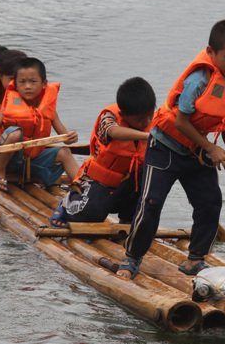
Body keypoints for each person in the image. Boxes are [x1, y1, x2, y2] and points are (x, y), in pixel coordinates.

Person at [119, 20, 225, 280]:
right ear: (211, 53)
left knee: (210, 201)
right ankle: (131, 258)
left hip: (197, 153)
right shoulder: (198, 79)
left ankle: (195, 259)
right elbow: (181, 121)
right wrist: (211, 148)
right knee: (151, 203)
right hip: (165, 148)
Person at [50, 77, 155, 241]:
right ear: (124, 114)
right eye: (140, 120)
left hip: (129, 182)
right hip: (100, 181)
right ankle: (67, 204)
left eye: (149, 116)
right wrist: (147, 136)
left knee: (148, 184)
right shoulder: (108, 117)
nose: (147, 122)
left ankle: (127, 221)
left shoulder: (155, 120)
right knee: (91, 215)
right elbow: (113, 132)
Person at [0, 57, 79, 191]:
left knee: (65, 153)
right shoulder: (9, 108)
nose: (27, 86)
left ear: (44, 83)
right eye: (22, 82)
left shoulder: (49, 110)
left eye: (33, 82)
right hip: (8, 161)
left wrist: (72, 136)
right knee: (15, 133)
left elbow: (65, 138)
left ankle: (82, 186)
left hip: (33, 162)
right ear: (15, 84)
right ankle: (0, 173)